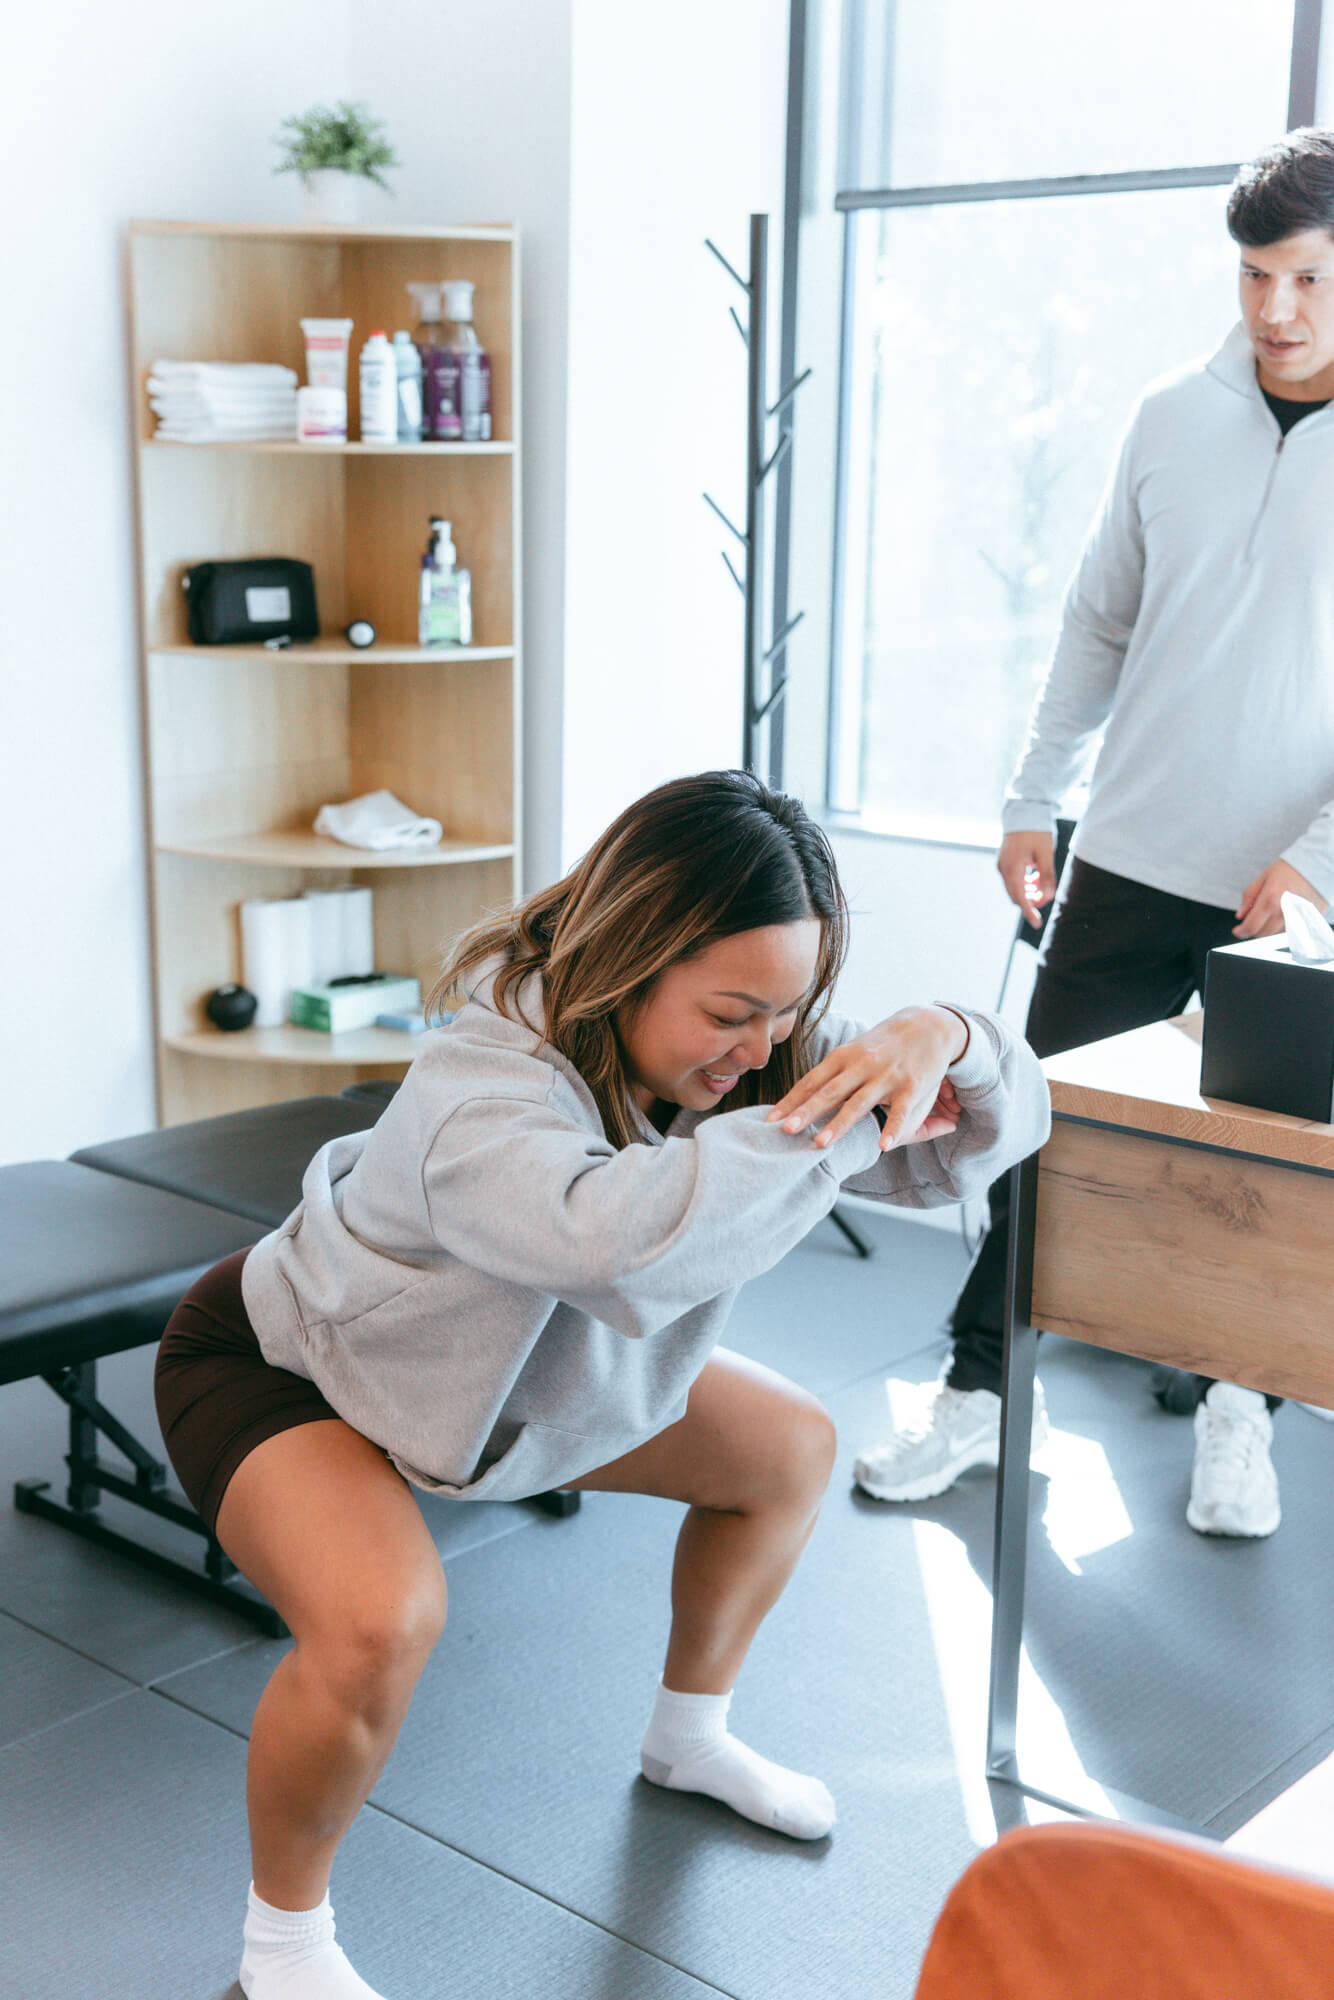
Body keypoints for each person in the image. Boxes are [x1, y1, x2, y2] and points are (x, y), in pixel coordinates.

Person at [153, 769, 1048, 2000]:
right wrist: (843, 1117)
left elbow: (974, 1141)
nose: (764, 1050)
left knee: (787, 1447)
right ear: (630, 961)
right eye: (732, 1012)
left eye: (789, 1015)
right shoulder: (486, 1078)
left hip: (487, 1387)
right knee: (378, 1620)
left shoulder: (737, 1050)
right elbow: (619, 1247)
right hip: (294, 1360)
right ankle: (282, 1945)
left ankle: (689, 1738)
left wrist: (941, 1030)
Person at [853, 127, 1334, 1540]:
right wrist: (1026, 795)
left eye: (1305, 278)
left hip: (1290, 893)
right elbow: (1094, 624)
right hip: (1125, 856)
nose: (1274, 311)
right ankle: (984, 1394)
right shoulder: (1165, 419)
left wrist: (1316, 858)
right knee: (1030, 1136)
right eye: (1253, 277)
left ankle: (1240, 1415)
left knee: (1255, 1176)